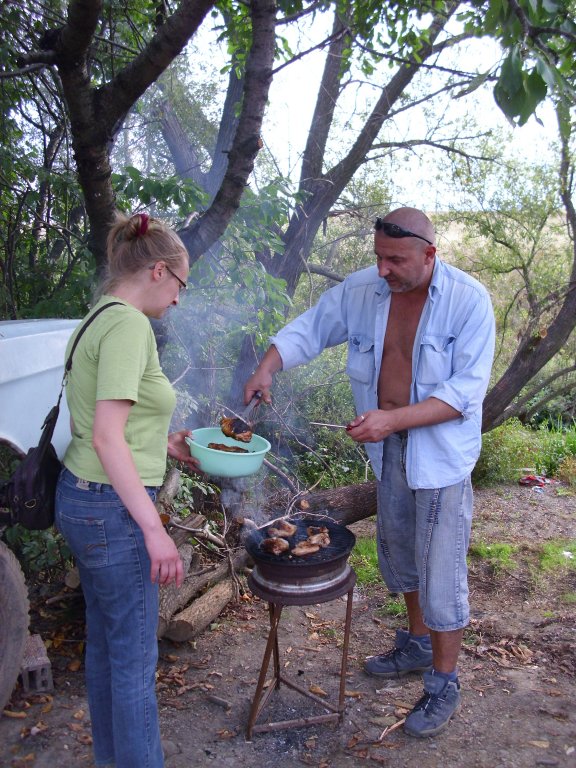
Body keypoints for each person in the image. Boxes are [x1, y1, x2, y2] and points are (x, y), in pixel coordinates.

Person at [244, 207, 495, 738]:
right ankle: (417, 644)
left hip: (442, 457)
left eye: (396, 260)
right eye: (379, 257)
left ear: (430, 253)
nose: (384, 270)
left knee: (441, 573)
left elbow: (463, 396)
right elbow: (311, 328)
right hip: (389, 454)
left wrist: (390, 420)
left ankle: (443, 682)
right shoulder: (365, 290)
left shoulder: (468, 301)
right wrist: (268, 365)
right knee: (401, 555)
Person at [55, 212, 199, 768]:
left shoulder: (96, 318)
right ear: (159, 270)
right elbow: (106, 436)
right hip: (110, 509)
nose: (180, 300)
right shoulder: (129, 325)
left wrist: (165, 444)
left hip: (85, 496)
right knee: (135, 663)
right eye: (181, 285)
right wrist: (155, 528)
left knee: (108, 651)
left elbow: (109, 420)